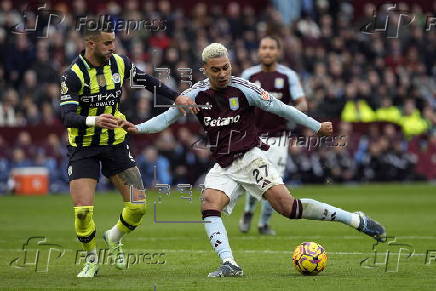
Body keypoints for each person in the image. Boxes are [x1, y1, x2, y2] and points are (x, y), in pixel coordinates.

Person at [121, 43, 386, 278]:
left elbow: (283, 108)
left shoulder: (244, 89)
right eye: (216, 70)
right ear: (205, 70)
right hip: (224, 166)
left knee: (289, 209)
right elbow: (166, 119)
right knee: (208, 204)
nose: (222, 74)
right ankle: (229, 264)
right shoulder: (194, 95)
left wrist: (316, 126)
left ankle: (354, 220)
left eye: (226, 67)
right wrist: (138, 128)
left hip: (250, 160)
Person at [59, 27, 197, 278]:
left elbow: (147, 80)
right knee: (82, 211)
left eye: (114, 42)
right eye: (108, 43)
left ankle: (113, 237)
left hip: (115, 143)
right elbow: (67, 116)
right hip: (83, 147)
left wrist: (177, 97)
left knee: (138, 207)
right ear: (90, 44)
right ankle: (91, 260)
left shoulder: (120, 63)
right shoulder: (73, 75)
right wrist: (94, 121)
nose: (113, 47)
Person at [239, 36, 308, 235]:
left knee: (274, 181)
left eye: (271, 48)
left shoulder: (288, 75)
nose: (267, 51)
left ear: (278, 52)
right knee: (256, 179)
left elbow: (303, 102)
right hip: (254, 138)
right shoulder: (249, 74)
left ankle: (263, 224)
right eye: (264, 48)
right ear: (259, 51)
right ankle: (248, 212)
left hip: (279, 138)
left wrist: (293, 110)